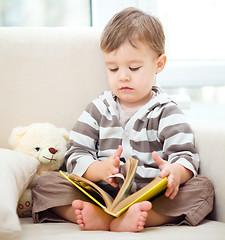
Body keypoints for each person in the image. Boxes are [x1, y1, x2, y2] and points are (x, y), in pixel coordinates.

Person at [32, 7, 214, 232]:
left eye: (134, 67)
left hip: (151, 195)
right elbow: (75, 152)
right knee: (45, 184)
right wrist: (99, 169)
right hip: (100, 193)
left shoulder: (166, 111)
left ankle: (141, 217)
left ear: (159, 64)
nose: (123, 76)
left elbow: (186, 155)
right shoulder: (98, 108)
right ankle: (100, 216)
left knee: (202, 188)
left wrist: (175, 172)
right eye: (113, 68)